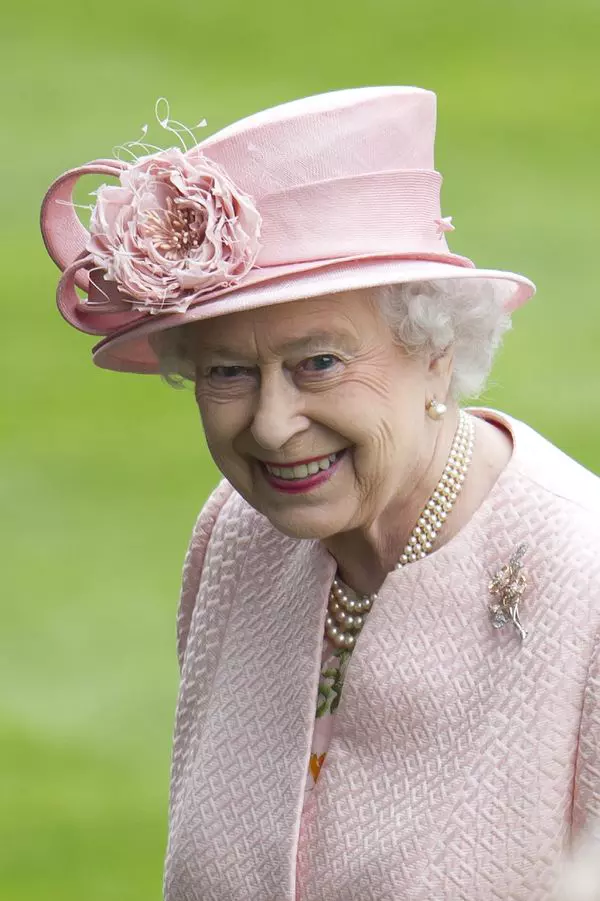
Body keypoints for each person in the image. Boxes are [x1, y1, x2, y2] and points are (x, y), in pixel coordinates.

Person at [41, 87, 600, 901]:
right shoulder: (235, 536)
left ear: (435, 348)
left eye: (320, 363)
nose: (272, 426)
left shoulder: (585, 580)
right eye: (227, 370)